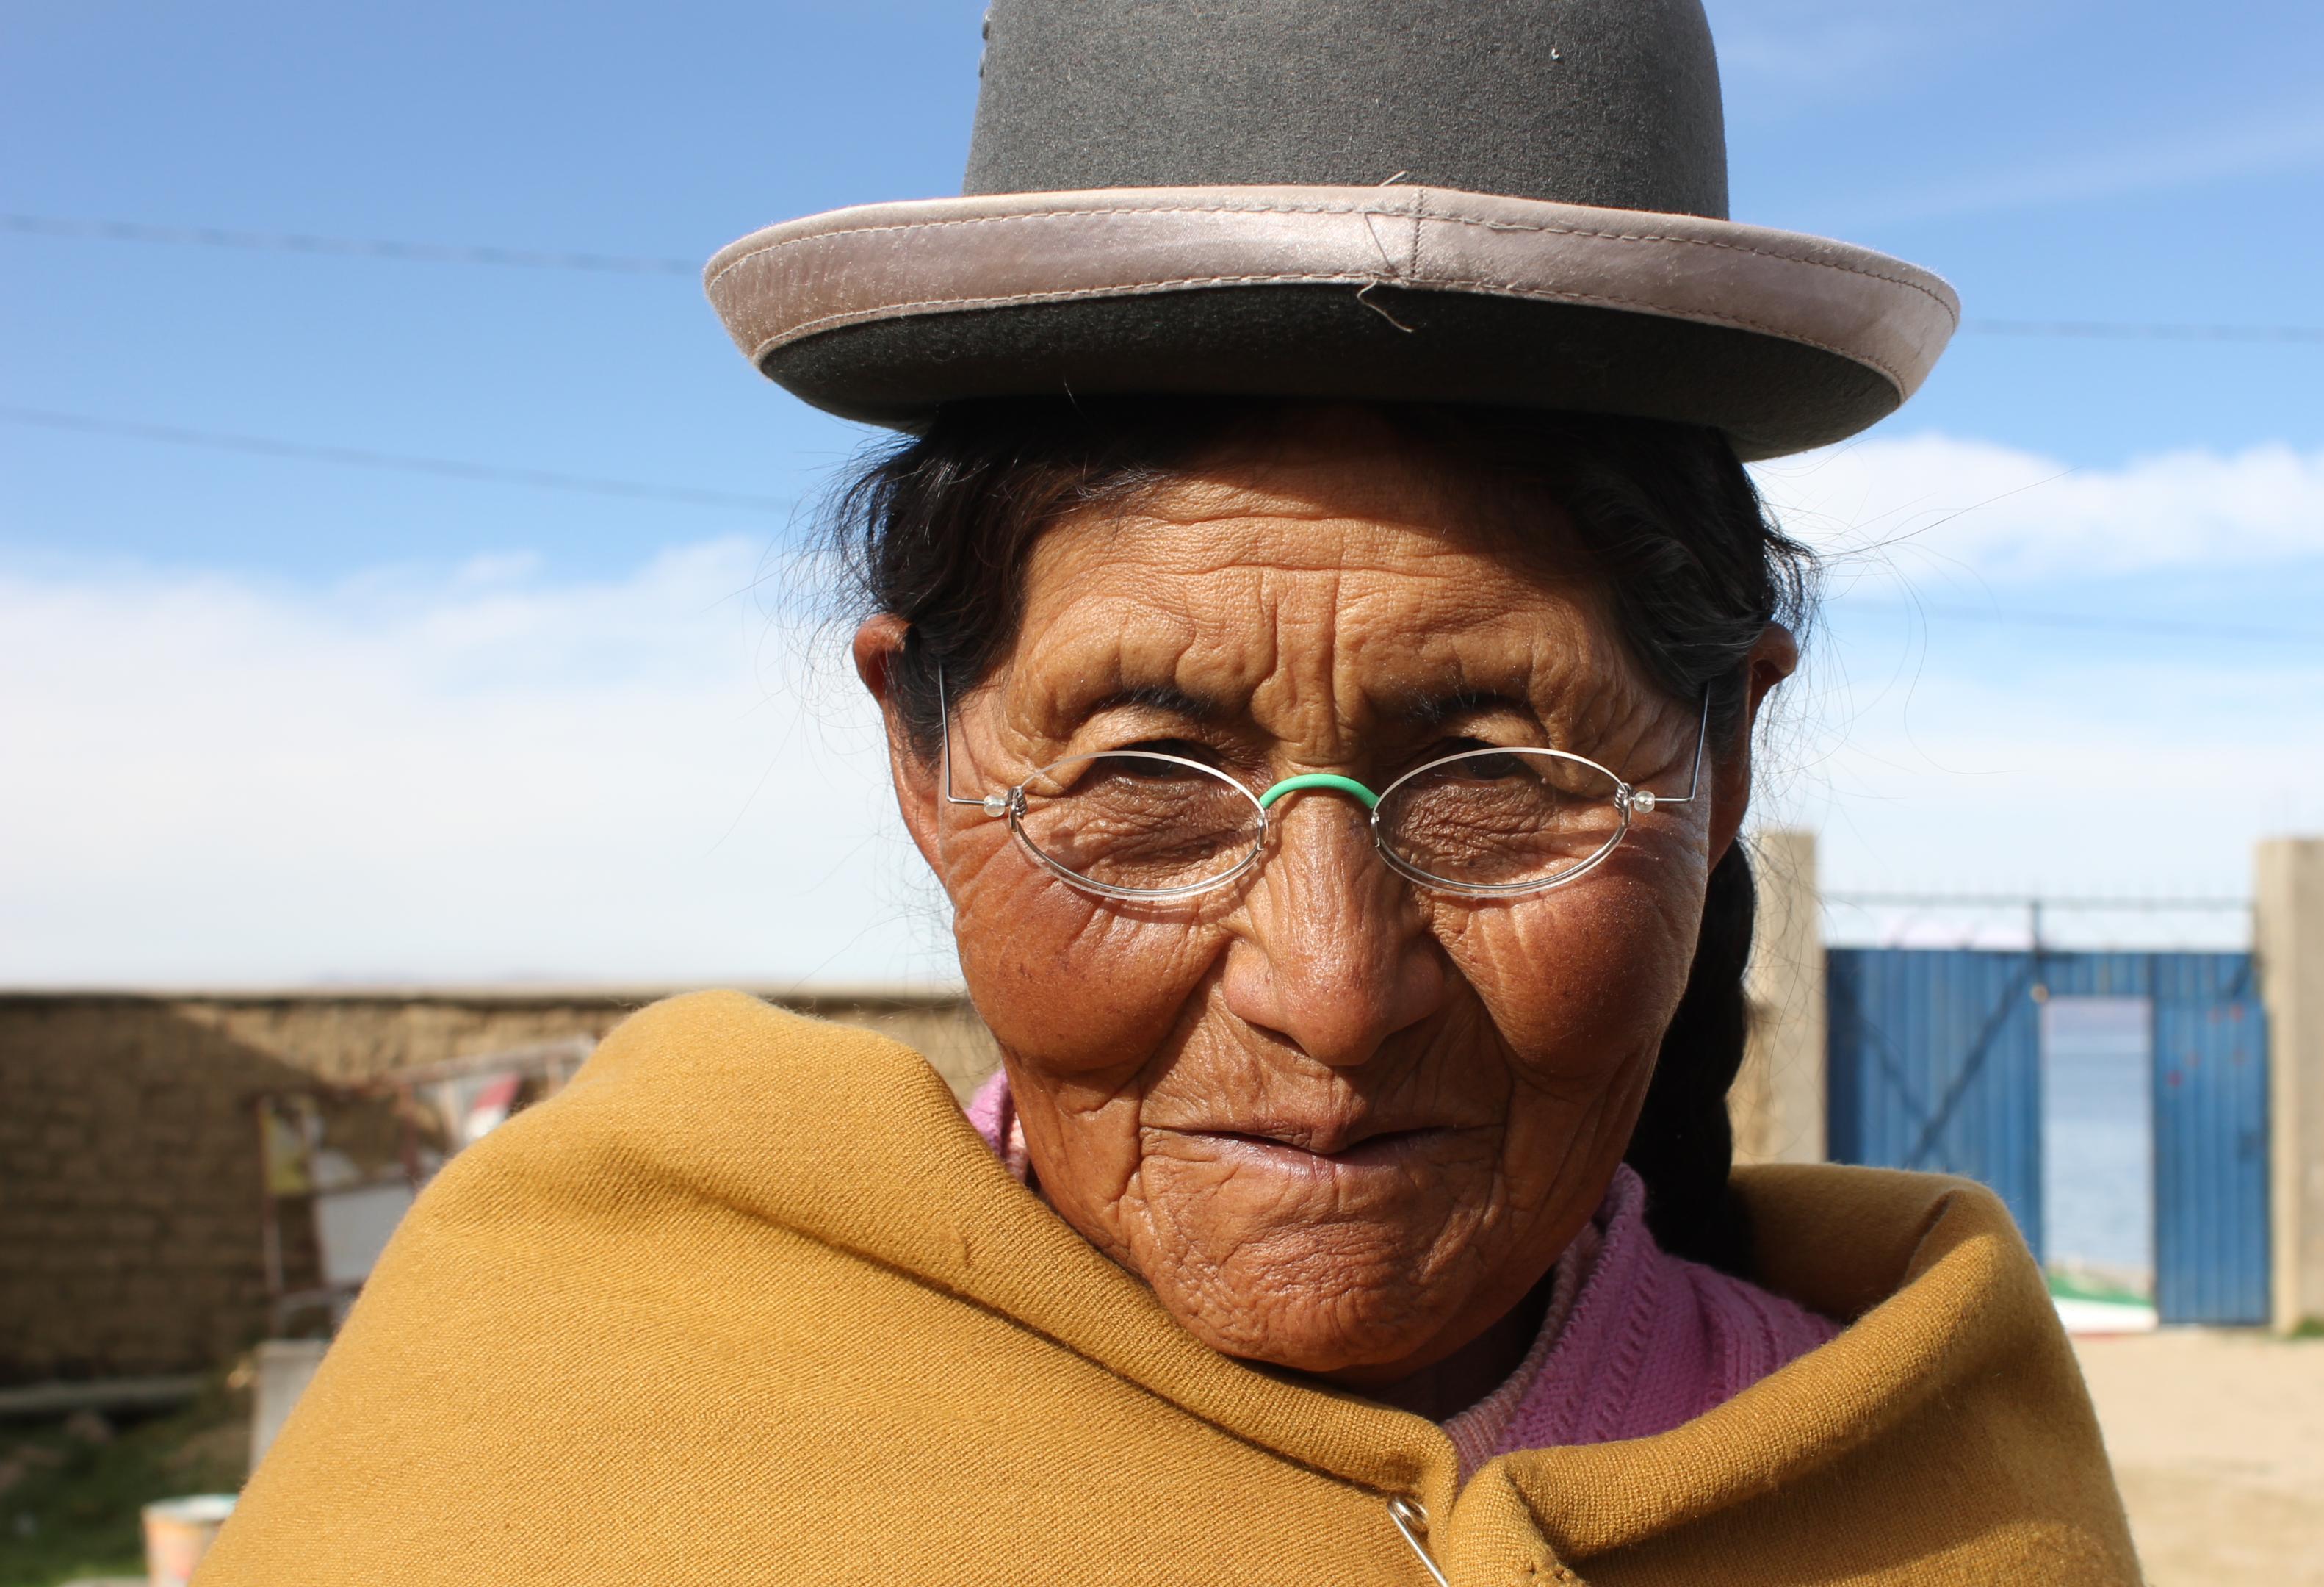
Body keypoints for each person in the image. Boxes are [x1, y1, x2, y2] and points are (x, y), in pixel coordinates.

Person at [203, 3, 2140, 1583]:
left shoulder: (1936, 1483)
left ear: (1721, 768)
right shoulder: (558, 1412)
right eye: (1146, 781)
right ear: (925, 758)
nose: (1333, 990)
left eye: (1497, 780)